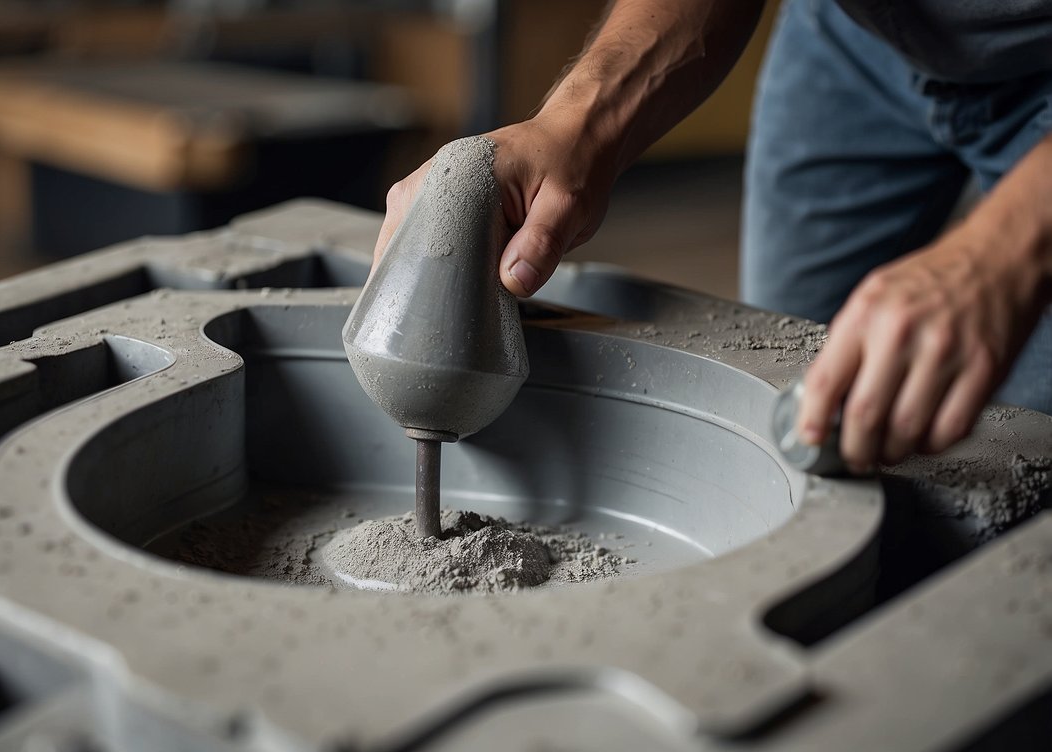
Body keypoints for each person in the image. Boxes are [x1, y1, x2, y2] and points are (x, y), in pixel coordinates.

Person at [373, 0, 1052, 473]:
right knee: (789, 373)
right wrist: (579, 118)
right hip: (858, 32)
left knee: (1007, 446)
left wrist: (1009, 246)